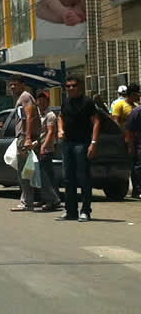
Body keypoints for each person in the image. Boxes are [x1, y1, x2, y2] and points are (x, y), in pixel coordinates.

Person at [56, 76, 101, 222]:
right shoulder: (66, 102)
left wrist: (93, 143)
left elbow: (96, 121)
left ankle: (85, 211)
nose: (71, 88)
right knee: (68, 178)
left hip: (82, 144)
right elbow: (60, 117)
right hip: (67, 144)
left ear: (80, 86)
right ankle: (70, 211)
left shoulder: (87, 102)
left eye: (74, 85)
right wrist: (60, 130)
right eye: (68, 86)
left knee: (83, 178)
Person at [9, 75, 41, 212]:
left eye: (15, 84)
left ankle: (27, 202)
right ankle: (38, 199)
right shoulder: (21, 98)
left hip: (25, 137)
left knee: (25, 171)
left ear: (22, 84)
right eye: (11, 84)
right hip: (24, 136)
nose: (12, 87)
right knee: (29, 170)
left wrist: (27, 138)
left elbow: (30, 117)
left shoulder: (25, 97)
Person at [36, 91, 61, 210]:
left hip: (46, 149)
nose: (40, 102)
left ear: (47, 102)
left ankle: (53, 200)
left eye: (43, 100)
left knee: (45, 176)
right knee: (45, 175)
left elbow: (51, 132)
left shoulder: (50, 115)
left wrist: (44, 147)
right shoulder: (38, 114)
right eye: (39, 100)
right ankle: (46, 198)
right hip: (38, 147)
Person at [125, 105, 141, 199]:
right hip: (138, 143)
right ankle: (138, 190)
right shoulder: (137, 111)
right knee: (138, 167)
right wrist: (130, 146)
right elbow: (129, 130)